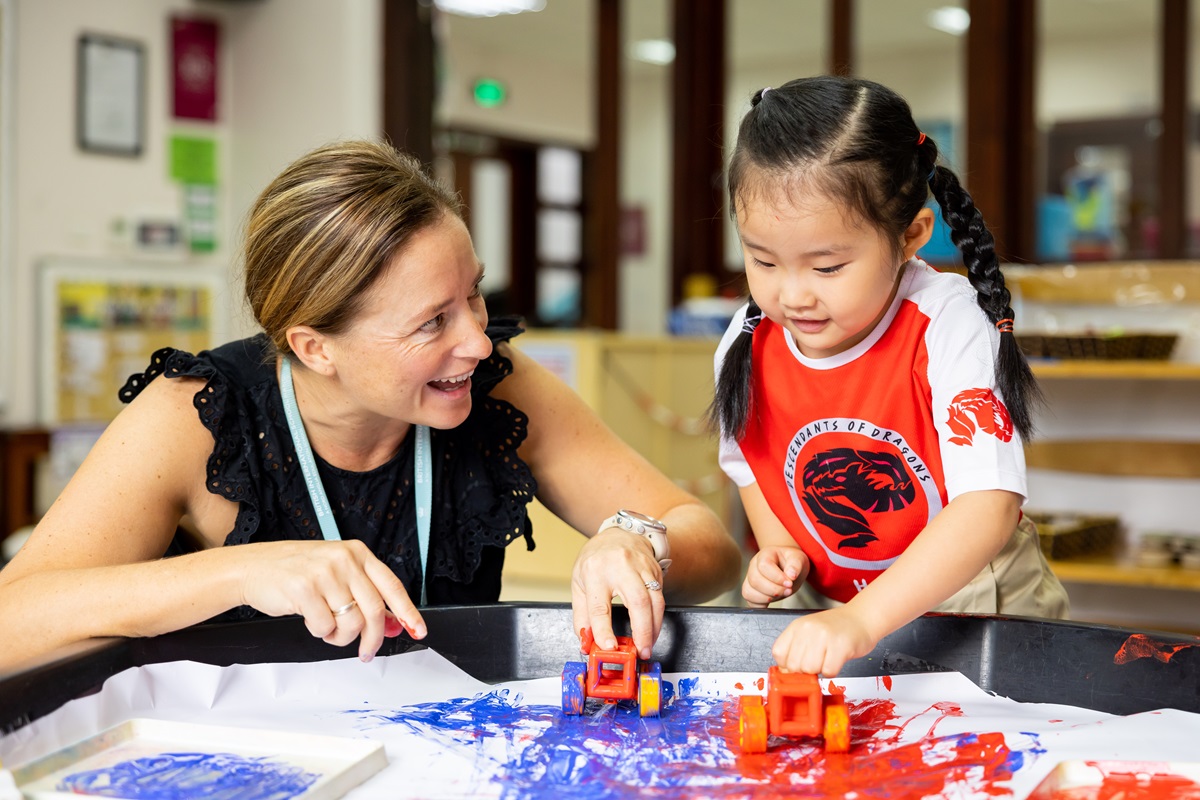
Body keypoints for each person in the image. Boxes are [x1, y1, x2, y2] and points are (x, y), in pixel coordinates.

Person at [0, 140, 741, 670]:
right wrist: (238, 573)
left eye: (474, 294)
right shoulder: (194, 417)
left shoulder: (498, 385)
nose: (478, 344)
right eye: (432, 323)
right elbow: (11, 621)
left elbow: (709, 545)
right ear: (315, 347)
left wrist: (639, 543)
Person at [711, 76, 1068, 679]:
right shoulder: (749, 340)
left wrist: (862, 620)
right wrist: (780, 549)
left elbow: (988, 506)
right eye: (762, 260)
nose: (791, 293)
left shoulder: (945, 324)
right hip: (837, 615)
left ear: (910, 236)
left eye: (828, 266)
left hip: (978, 610)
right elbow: (750, 464)